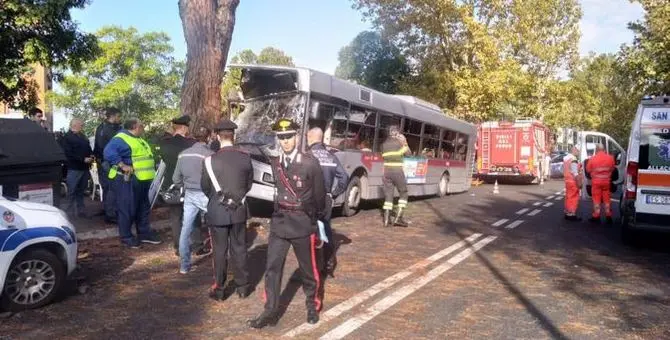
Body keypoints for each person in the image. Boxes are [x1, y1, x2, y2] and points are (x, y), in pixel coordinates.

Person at [248, 118, 326, 329]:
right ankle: (270, 310)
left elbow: (320, 197)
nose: (285, 141)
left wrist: (315, 220)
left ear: (297, 136)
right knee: (272, 268)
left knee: (308, 270)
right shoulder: (275, 163)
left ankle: (312, 305)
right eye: (281, 138)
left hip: (302, 223)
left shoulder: (310, 162)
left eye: (289, 136)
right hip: (280, 222)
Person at [201, 120, 254, 300]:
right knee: (240, 249)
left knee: (219, 251)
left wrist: (218, 200)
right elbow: (249, 184)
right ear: (234, 136)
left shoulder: (209, 161)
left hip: (217, 211)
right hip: (239, 210)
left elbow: (205, 187)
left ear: (217, 136)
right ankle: (243, 287)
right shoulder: (245, 157)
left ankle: (220, 289)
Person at [103, 118, 162, 248]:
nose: (143, 128)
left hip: (140, 179)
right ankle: (126, 237)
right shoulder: (120, 138)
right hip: (127, 179)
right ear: (135, 126)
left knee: (143, 208)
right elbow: (108, 152)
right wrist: (122, 165)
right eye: (141, 126)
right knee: (127, 208)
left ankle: (144, 233)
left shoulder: (138, 139)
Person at [158, 115, 207, 256]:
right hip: (190, 183)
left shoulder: (164, 143)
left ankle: (179, 247)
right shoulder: (191, 143)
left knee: (176, 217)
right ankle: (198, 246)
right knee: (194, 215)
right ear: (185, 127)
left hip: (172, 184)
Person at [172, 127, 215, 274]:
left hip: (190, 194)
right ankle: (220, 261)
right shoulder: (210, 155)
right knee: (216, 225)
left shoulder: (183, 154)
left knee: (185, 229)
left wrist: (183, 186)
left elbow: (175, 179)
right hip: (206, 194)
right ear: (209, 137)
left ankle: (184, 266)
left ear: (194, 137)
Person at [307, 126, 348, 277]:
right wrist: (334, 194)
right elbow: (344, 177)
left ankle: (312, 267)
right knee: (325, 230)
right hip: (326, 199)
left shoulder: (308, 155)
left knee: (309, 231)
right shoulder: (331, 156)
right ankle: (328, 264)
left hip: (310, 199)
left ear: (310, 138)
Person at [93, 107, 122, 223]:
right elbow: (104, 147)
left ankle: (107, 209)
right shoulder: (107, 129)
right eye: (118, 116)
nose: (120, 119)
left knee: (107, 187)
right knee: (111, 187)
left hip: (104, 161)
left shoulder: (102, 127)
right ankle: (111, 214)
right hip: (108, 162)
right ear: (113, 116)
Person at [62, 118, 94, 218]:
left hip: (84, 168)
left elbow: (88, 148)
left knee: (81, 190)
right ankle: (68, 213)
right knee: (72, 191)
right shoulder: (67, 137)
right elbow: (68, 153)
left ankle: (81, 210)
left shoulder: (82, 136)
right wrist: (83, 159)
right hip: (74, 168)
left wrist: (91, 155)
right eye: (81, 124)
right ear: (75, 125)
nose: (83, 126)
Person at [381, 125, 411, 227]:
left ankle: (386, 219)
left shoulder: (383, 145)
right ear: (396, 133)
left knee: (388, 194)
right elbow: (408, 154)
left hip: (386, 172)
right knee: (403, 193)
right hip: (398, 171)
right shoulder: (399, 143)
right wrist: (404, 142)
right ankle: (398, 218)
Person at [586, 143, 616, 224]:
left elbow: (588, 170)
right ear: (604, 150)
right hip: (606, 182)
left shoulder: (592, 159)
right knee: (607, 200)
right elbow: (612, 169)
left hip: (596, 183)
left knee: (596, 200)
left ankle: (596, 216)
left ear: (596, 150)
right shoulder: (610, 158)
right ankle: (608, 216)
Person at [563, 146, 583, 221]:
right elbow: (575, 172)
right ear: (574, 150)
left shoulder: (566, 159)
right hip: (573, 181)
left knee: (568, 197)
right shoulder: (573, 160)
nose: (578, 153)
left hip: (568, 181)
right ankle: (571, 214)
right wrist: (579, 182)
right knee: (574, 197)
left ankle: (568, 212)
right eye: (578, 151)